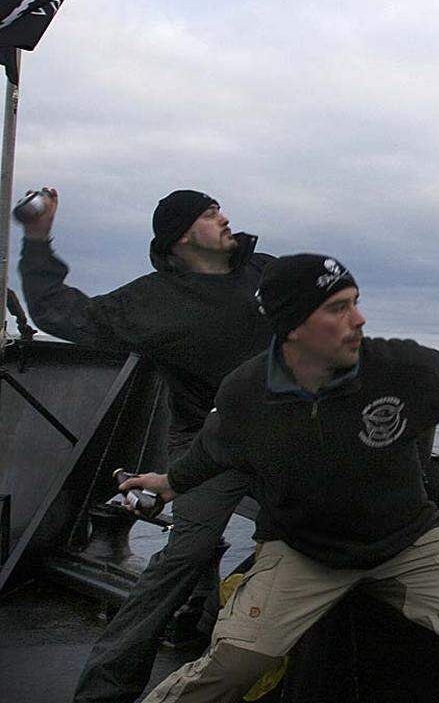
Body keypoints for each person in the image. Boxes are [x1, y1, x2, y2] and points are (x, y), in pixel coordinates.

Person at [120, 254, 439, 703]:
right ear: (292, 327)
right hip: (303, 551)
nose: (359, 320)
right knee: (236, 668)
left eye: (356, 303)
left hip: (405, 542)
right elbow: (214, 448)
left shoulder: (399, 369)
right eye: (338, 309)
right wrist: (169, 483)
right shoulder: (247, 392)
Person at [17, 188, 275, 703]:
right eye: (209, 212)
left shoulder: (265, 271)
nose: (224, 217)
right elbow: (58, 314)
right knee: (185, 554)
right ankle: (104, 691)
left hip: (284, 433)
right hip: (208, 441)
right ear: (182, 236)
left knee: (308, 531)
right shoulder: (152, 301)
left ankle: (209, 614)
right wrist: (38, 238)